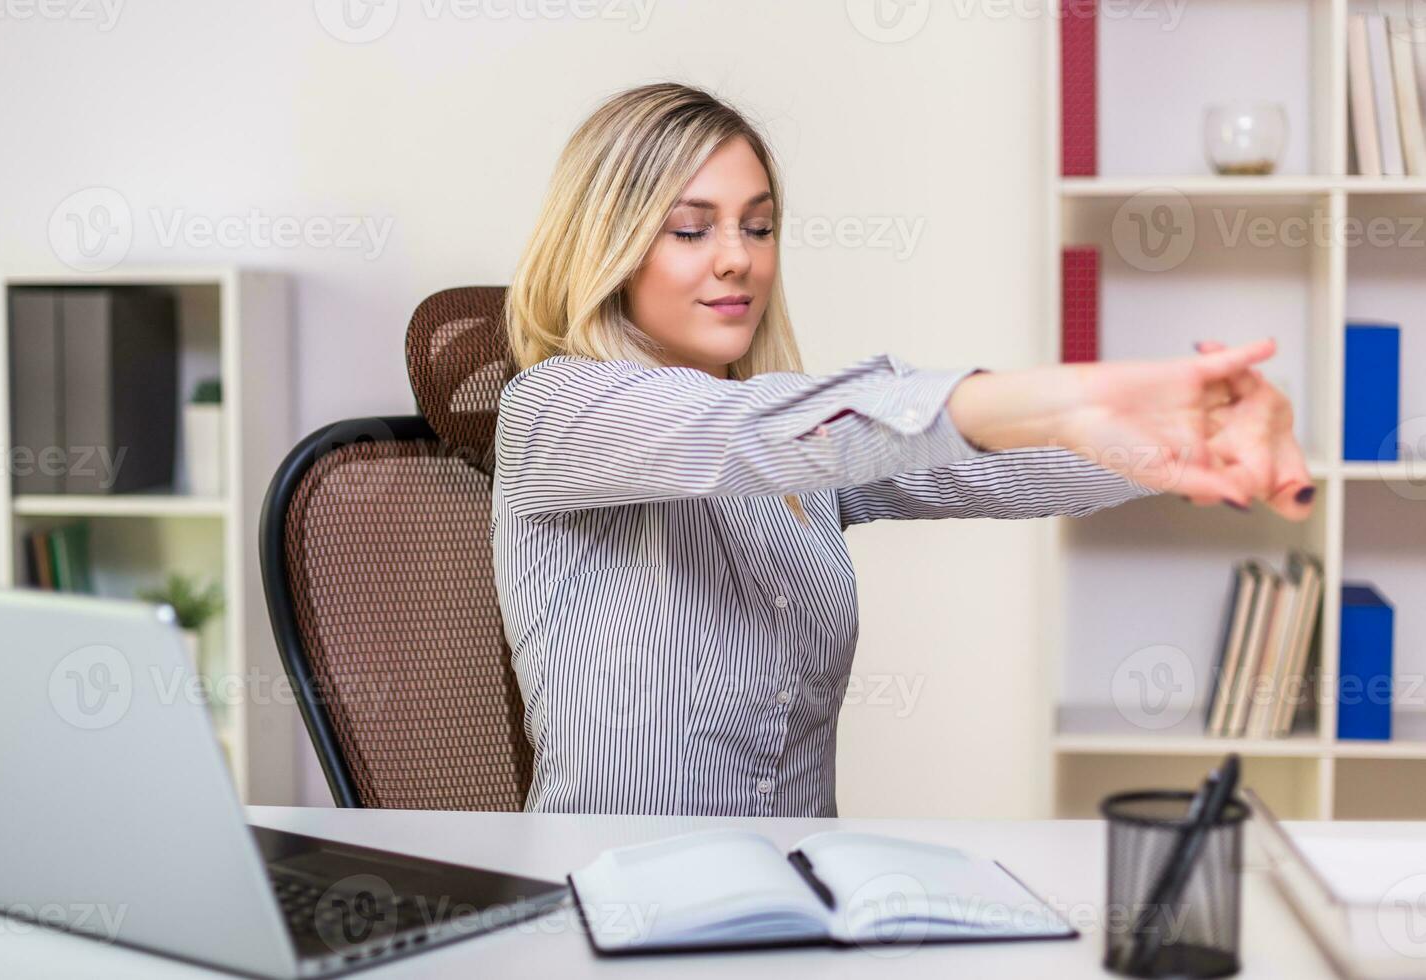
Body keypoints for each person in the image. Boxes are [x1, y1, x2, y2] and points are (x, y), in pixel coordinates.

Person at [492, 81, 1314, 817]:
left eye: (759, 224)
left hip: (790, 906)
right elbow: (752, 431)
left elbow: (967, 458)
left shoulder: (803, 456)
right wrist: (1078, 395)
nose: (738, 257)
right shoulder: (557, 409)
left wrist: (1175, 442)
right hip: (612, 903)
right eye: (688, 228)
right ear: (607, 243)